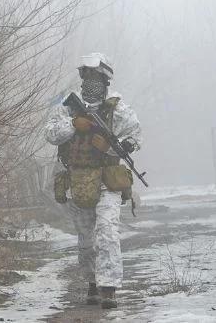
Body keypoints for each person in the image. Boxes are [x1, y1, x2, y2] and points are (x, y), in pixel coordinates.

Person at [45, 53, 142, 310]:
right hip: (76, 179)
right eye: (86, 76)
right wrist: (74, 124)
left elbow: (134, 137)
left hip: (107, 180)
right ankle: (92, 283)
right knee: (86, 240)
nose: (91, 82)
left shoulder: (117, 108)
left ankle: (108, 288)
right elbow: (51, 134)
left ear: (105, 80)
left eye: (96, 77)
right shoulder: (67, 107)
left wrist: (112, 147)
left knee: (108, 233)